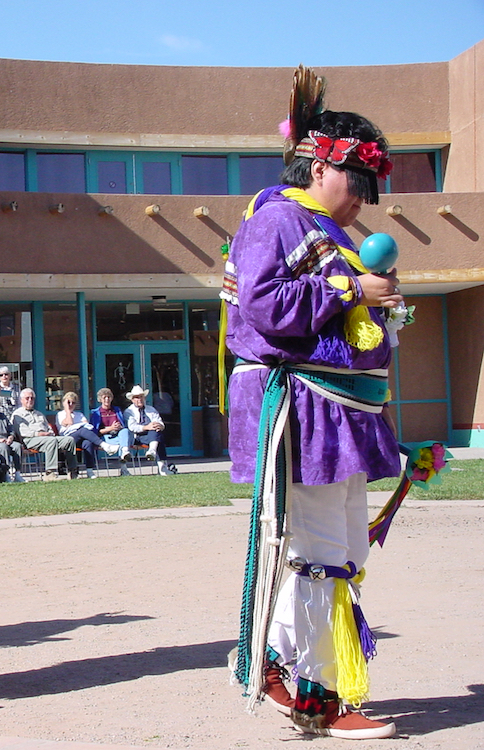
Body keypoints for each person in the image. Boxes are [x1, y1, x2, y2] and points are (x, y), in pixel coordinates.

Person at [224, 68, 401, 740]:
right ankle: (319, 697)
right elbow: (266, 309)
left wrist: (379, 299)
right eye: (357, 184)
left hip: (343, 413)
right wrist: (354, 293)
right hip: (302, 407)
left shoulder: (333, 234)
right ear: (319, 165)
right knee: (322, 548)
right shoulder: (275, 220)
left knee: (344, 546)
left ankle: (275, 661)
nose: (363, 200)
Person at [12, 388, 78, 481]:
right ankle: (50, 473)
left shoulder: (39, 414)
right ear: (21, 400)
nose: (30, 400)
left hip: (46, 438)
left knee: (69, 440)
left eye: (32, 398)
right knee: (51, 441)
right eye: (27, 398)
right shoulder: (18, 414)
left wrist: (50, 433)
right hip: (29, 439)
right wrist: (39, 434)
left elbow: (48, 427)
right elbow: (22, 431)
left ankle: (73, 471)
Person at [56, 391, 119, 478]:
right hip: (67, 439)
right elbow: (69, 422)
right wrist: (67, 410)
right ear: (64, 403)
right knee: (82, 430)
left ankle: (90, 471)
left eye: (73, 403)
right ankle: (104, 445)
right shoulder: (60, 414)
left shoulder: (79, 415)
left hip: (79, 439)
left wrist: (77, 426)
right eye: (68, 402)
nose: (70, 405)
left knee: (87, 443)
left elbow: (88, 426)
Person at [123, 385, 175, 475]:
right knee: (158, 437)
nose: (139, 399)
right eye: (136, 397)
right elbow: (132, 427)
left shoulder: (151, 409)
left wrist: (160, 426)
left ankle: (152, 452)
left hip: (151, 435)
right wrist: (146, 427)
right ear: (132, 400)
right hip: (137, 437)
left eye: (141, 397)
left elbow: (159, 421)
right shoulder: (129, 411)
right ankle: (161, 467)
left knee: (157, 432)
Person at [88, 388, 134, 468]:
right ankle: (124, 468)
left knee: (125, 431)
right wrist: (110, 428)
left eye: (109, 397)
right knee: (123, 443)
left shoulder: (117, 410)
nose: (107, 399)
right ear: (100, 399)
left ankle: (124, 452)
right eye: (104, 397)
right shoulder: (95, 413)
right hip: (104, 438)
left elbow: (123, 425)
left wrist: (119, 427)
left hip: (117, 435)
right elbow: (95, 432)